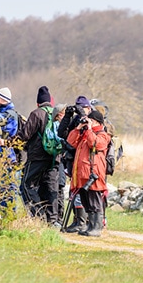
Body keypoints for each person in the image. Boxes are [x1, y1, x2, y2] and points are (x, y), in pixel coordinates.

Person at [18, 86, 60, 225]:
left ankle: (38, 216)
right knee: (49, 187)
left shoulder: (36, 114)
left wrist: (8, 141)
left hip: (37, 157)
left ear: (38, 103)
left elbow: (25, 134)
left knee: (26, 184)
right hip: (54, 158)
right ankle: (52, 219)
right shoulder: (57, 114)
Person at [66, 109, 111, 237]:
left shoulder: (103, 135)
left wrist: (90, 129)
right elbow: (70, 142)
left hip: (93, 174)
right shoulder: (85, 133)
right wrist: (79, 127)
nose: (88, 122)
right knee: (86, 201)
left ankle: (97, 227)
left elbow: (95, 144)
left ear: (96, 121)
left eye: (90, 120)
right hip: (82, 174)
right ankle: (90, 226)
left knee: (94, 201)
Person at [58, 95, 93, 233]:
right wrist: (67, 116)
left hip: (87, 163)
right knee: (76, 190)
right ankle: (78, 220)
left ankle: (85, 222)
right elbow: (62, 134)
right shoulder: (76, 121)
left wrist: (83, 115)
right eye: (78, 107)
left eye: (83, 107)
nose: (80, 110)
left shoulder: (93, 120)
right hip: (74, 161)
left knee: (85, 191)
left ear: (89, 108)